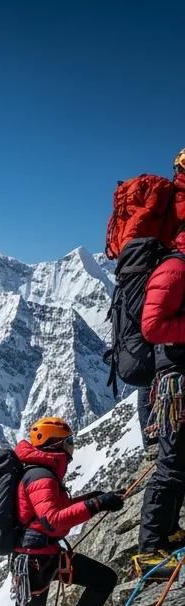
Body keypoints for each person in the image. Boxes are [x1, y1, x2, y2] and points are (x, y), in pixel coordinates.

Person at [0, 418, 121, 606]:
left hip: (44, 556)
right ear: (56, 444)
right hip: (36, 561)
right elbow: (51, 520)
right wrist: (96, 505)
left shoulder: (41, 473)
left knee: (104, 579)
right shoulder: (41, 475)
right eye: (68, 442)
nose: (72, 447)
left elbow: (52, 513)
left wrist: (89, 500)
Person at [136, 216, 185, 574]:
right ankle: (149, 547)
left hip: (178, 379)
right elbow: (152, 326)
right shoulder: (174, 267)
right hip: (175, 384)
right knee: (170, 464)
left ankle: (166, 533)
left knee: (180, 461)